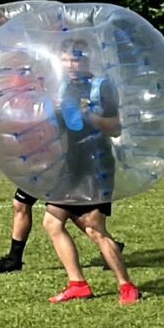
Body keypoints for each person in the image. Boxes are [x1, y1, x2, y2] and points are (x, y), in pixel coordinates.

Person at [43, 44, 140, 306]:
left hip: (97, 165)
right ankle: (78, 284)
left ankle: (127, 286)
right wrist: (55, 112)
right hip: (72, 164)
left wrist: (86, 113)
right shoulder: (64, 88)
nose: (70, 65)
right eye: (65, 60)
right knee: (52, 223)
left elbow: (116, 128)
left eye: (75, 60)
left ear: (87, 61)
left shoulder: (101, 87)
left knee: (95, 229)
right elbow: (63, 129)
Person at [0, 189, 36, 274]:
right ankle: (14, 259)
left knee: (56, 219)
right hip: (41, 177)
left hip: (58, 178)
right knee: (21, 203)